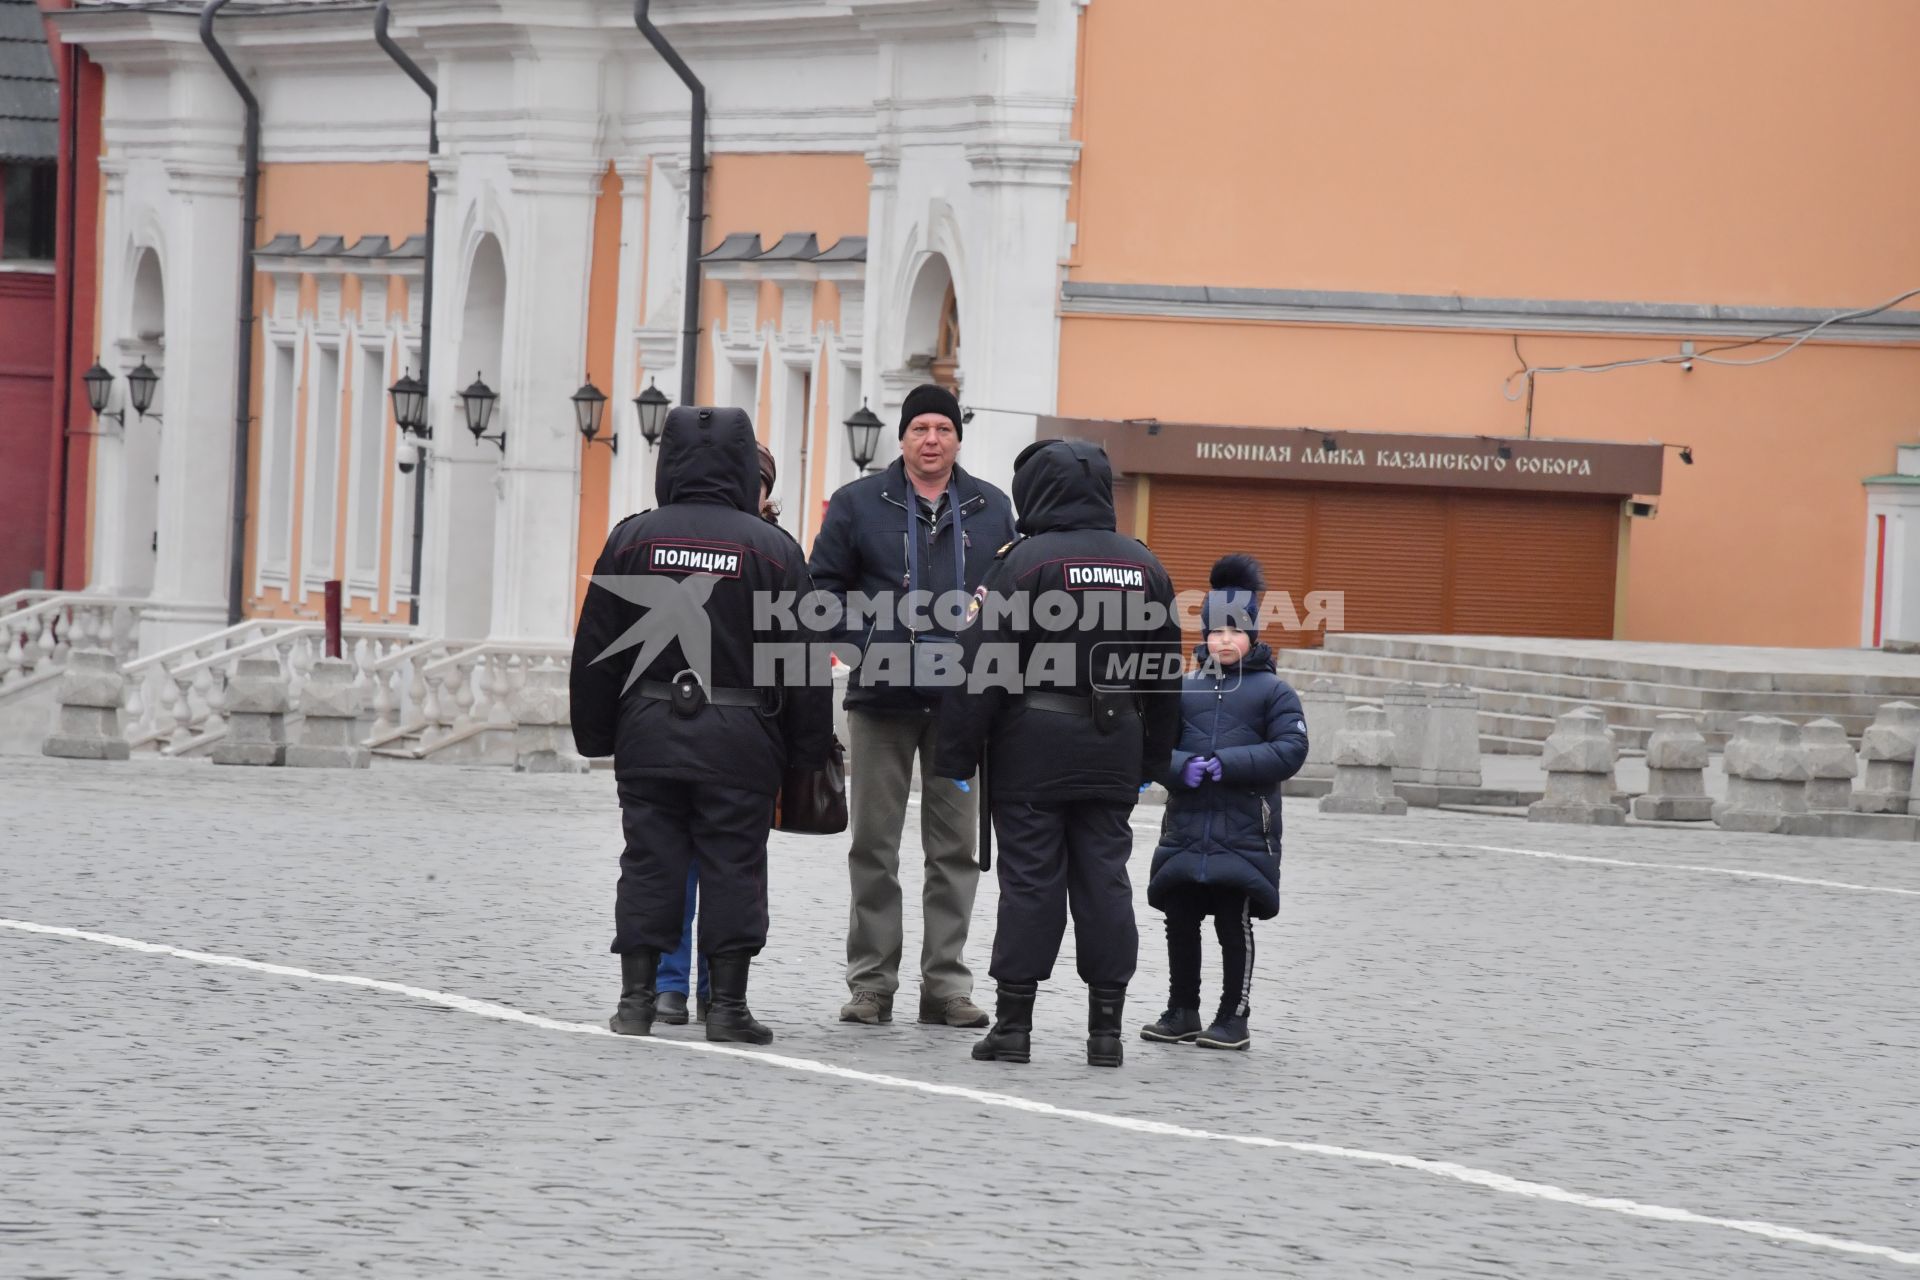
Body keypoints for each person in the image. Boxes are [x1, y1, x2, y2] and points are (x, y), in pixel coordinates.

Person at [571, 406, 832, 1045]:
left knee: (648, 862)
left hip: (649, 727)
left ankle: (636, 1001)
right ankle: (729, 1008)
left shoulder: (632, 538)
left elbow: (596, 648)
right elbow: (801, 662)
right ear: (746, 466)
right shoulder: (774, 549)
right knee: (734, 866)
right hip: (742, 735)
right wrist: (807, 751)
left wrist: (598, 735)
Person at [934, 438, 1182, 1068]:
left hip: (1033, 750)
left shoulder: (1022, 563)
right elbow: (1164, 674)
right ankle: (1107, 1034)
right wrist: (1155, 759)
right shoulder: (1145, 565)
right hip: (1114, 747)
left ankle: (1014, 1027)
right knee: (1105, 881)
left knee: (1031, 885)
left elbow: (981, 665)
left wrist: (955, 756)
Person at [808, 384, 1016, 1029]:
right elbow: (820, 592)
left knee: (954, 850)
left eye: (943, 428)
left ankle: (947, 986)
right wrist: (868, 645)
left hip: (962, 702)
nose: (932, 439)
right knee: (873, 844)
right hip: (880, 699)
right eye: (920, 428)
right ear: (902, 438)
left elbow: (1011, 591)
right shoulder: (857, 503)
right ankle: (872, 984)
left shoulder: (991, 508)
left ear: (958, 438)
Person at [1139, 554, 1307, 1052]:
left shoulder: (1274, 692)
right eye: (1216, 632)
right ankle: (1181, 1009)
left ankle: (1234, 1014)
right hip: (1187, 826)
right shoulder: (1183, 688)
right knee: (1180, 919)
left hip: (1242, 831)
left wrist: (1227, 763)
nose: (1225, 640)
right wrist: (1177, 767)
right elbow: (1153, 746)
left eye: (1235, 631)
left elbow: (1291, 749)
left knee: (1234, 924)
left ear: (1252, 635)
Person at [654, 441, 786, 1028]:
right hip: (699, 725)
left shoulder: (777, 550)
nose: (750, 491)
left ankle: (716, 987)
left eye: (760, 483)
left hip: (737, 730)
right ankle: (671, 985)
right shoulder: (771, 551)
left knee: (727, 867)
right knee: (676, 863)